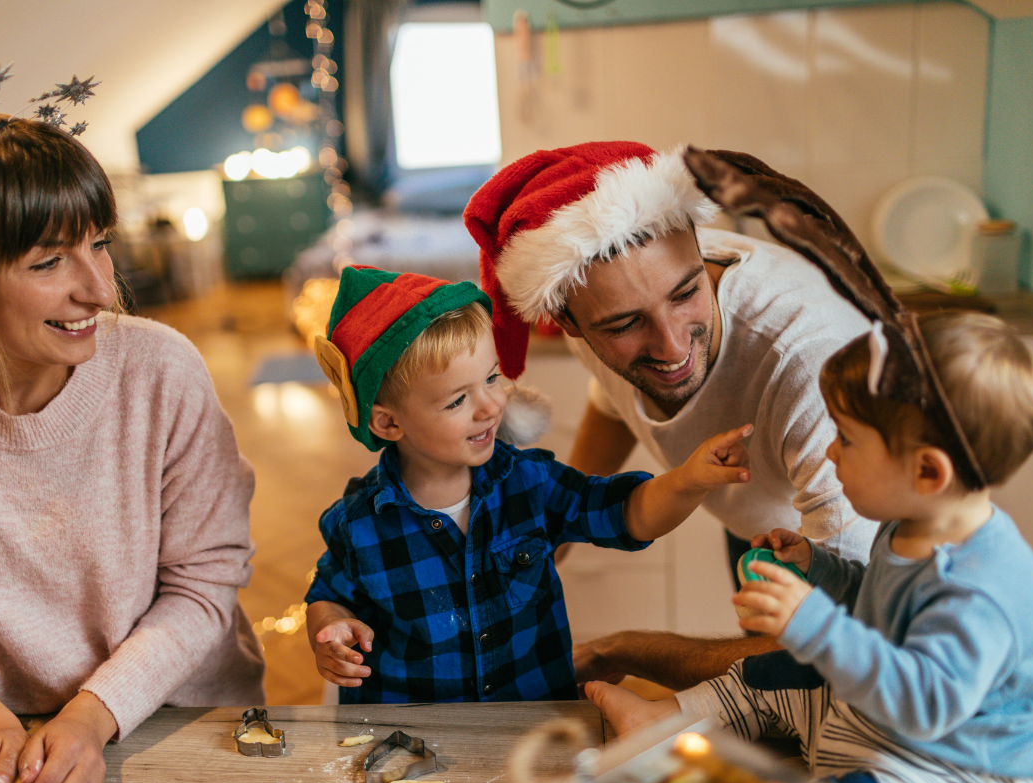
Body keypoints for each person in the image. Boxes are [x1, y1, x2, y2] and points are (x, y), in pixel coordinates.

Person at [0, 93, 264, 783]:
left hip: (194, 724)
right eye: (49, 262)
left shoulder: (161, 371)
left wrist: (89, 718)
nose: (100, 290)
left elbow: (205, 584)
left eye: (99, 243)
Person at [587, 311, 1033, 783]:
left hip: (956, 760)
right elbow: (879, 607)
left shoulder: (976, 592)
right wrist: (820, 569)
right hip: (879, 715)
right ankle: (664, 719)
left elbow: (925, 707)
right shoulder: (910, 523)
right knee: (772, 672)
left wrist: (813, 622)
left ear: (927, 472)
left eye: (847, 439)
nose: (831, 453)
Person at [463, 140, 876, 688]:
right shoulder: (598, 292)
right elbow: (612, 404)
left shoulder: (808, 362)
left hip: (863, 551)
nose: (672, 345)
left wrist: (622, 652)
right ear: (569, 323)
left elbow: (829, 656)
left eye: (686, 293)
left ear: (699, 252)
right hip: (770, 524)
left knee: (800, 689)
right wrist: (545, 537)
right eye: (624, 326)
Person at [303, 265, 752, 703]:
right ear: (387, 422)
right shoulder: (358, 524)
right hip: (413, 747)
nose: (490, 406)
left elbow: (629, 513)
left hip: (533, 728)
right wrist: (332, 630)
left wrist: (690, 480)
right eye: (458, 400)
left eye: (492, 378)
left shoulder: (529, 482)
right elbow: (326, 598)